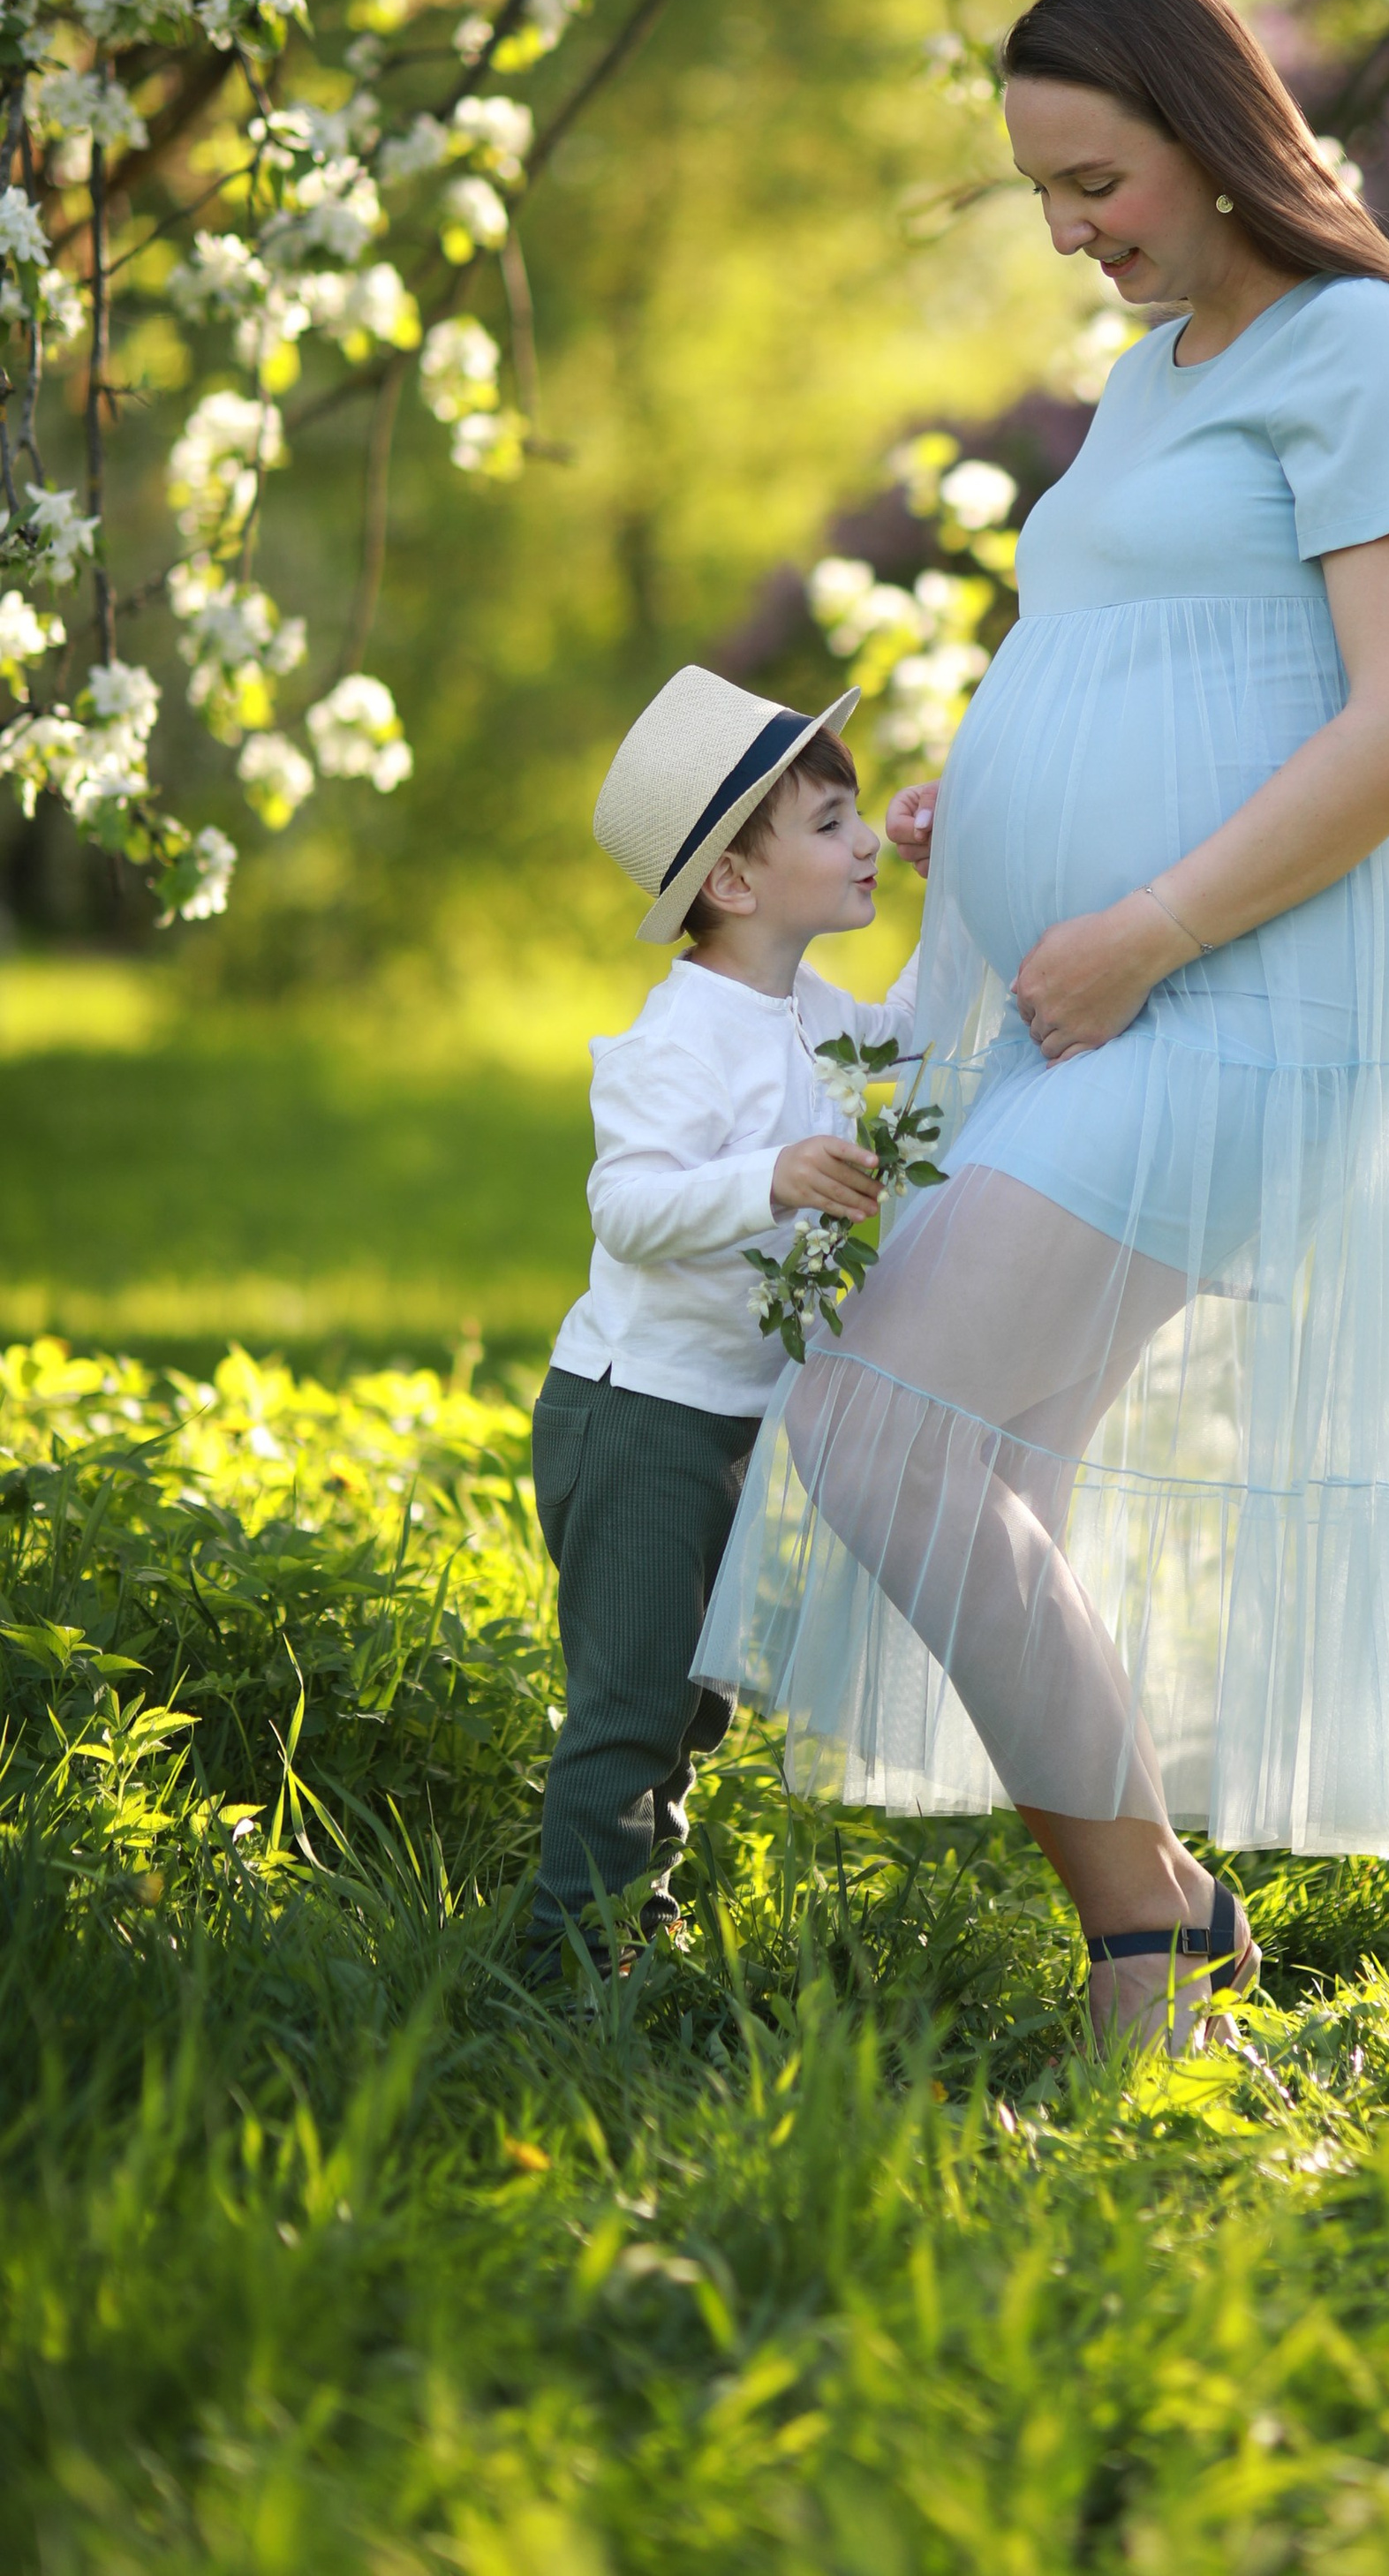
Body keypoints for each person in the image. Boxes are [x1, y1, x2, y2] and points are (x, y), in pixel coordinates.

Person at [693, 0, 1389, 2051]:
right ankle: (1164, 1933)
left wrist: (1137, 917)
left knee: (885, 1431)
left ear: (1208, 129)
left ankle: (1153, 1937)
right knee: (965, 1455)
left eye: (1094, 179)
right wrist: (1021, 789)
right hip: (1114, 1002)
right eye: (1044, 198)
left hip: (1240, 1011)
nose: (1072, 233)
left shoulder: (1364, 348)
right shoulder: (1166, 369)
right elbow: (1184, 652)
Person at [525, 666, 919, 1981]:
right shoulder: (678, 1034)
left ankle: (638, 1917)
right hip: (637, 1415)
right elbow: (627, 1205)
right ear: (735, 885)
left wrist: (961, 874)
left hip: (734, 1415)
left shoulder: (816, 1014)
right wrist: (768, 1179)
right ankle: (558, 1968)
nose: (862, 841)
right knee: (632, 1702)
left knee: (696, 1702)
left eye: (858, 817)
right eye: (828, 824)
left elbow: (920, 1042)